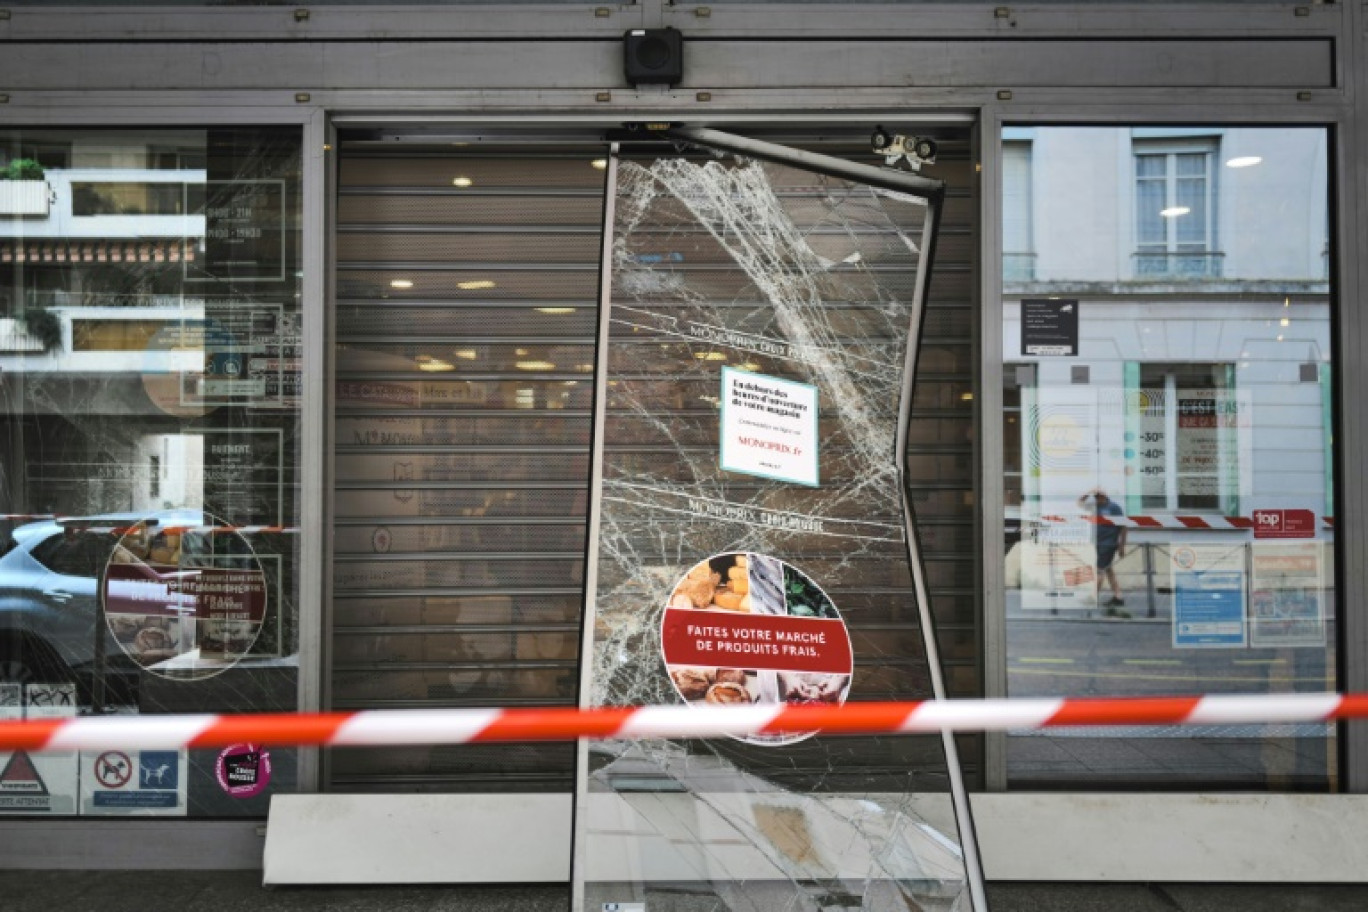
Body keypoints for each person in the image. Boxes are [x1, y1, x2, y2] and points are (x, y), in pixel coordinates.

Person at [1078, 487, 1129, 617]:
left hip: (1108, 544)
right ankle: (1118, 597)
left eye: (1097, 497)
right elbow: (1079, 504)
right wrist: (1088, 492)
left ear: (1103, 497)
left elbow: (1123, 526)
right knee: (1108, 569)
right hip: (1098, 543)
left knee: (1099, 570)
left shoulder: (1114, 508)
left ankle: (1093, 597)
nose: (1095, 499)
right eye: (1094, 497)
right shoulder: (1095, 507)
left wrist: (1122, 545)